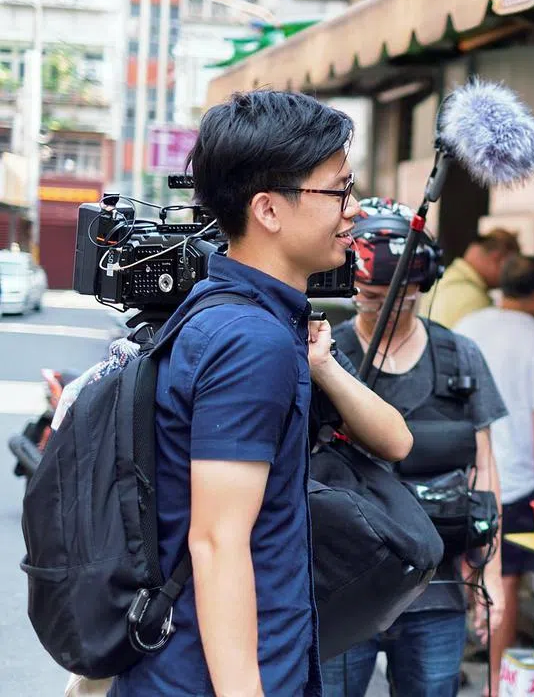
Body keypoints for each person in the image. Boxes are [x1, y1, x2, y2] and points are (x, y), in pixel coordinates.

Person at [111, 91, 413, 696]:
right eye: (338, 191)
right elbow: (218, 540)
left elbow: (394, 440)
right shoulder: (251, 340)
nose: (353, 211)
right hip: (216, 675)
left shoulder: (226, 314)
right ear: (269, 210)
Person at [322, 198, 508, 697]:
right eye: (369, 296)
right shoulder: (327, 356)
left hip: (439, 590)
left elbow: (485, 470)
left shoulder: (460, 357)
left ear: (421, 287)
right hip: (346, 588)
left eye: (399, 297)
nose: (382, 309)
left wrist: (493, 576)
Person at [454, 255, 534, 696]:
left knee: (468, 572)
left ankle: (465, 661)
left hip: (463, 473)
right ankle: (492, 685)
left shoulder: (467, 327)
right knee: (501, 582)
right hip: (516, 480)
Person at [417, 228, 520, 328]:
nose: (512, 274)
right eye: (512, 265)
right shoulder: (475, 299)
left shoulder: (443, 281)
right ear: (497, 258)